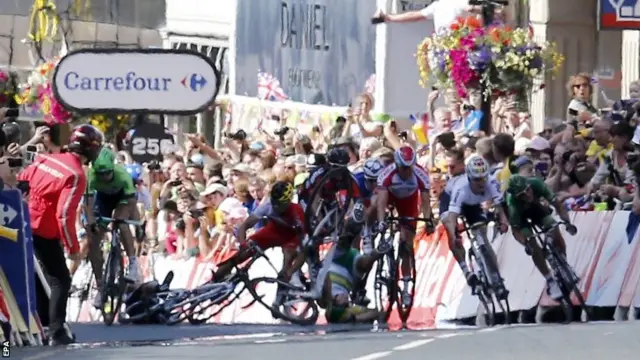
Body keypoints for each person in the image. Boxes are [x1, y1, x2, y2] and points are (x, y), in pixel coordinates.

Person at [18, 124, 103, 345]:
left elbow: (22, 181)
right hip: (44, 230)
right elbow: (64, 215)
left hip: (21, 222)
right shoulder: (76, 174)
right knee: (60, 280)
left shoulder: (47, 159)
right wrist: (73, 248)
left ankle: (42, 325)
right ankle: (56, 331)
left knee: (37, 276)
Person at [213, 181, 306, 304]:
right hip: (273, 231)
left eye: (280, 204)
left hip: (291, 236)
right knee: (241, 254)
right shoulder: (267, 206)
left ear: (288, 201)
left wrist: (291, 270)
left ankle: (281, 294)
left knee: (288, 259)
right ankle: (214, 281)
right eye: (275, 203)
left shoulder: (297, 212)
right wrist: (242, 244)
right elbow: (245, 226)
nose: (276, 207)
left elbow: (304, 248)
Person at [440, 154, 509, 297]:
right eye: (477, 179)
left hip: (472, 204)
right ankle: (467, 272)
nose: (481, 183)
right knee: (452, 233)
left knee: (481, 236)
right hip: (450, 201)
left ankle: (496, 279)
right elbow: (452, 216)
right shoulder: (461, 188)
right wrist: (454, 234)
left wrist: (503, 222)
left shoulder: (491, 182)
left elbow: (499, 207)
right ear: (470, 177)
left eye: (484, 178)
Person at [376, 145, 434, 306]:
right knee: (378, 210)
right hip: (390, 198)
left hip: (408, 202)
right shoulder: (387, 174)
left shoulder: (420, 174)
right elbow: (381, 202)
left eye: (409, 168)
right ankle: (382, 249)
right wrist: (381, 221)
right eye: (403, 168)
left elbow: (426, 202)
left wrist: (428, 220)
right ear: (396, 164)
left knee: (407, 244)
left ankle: (406, 286)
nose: (407, 171)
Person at [505, 175, 578, 300]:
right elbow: (516, 231)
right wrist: (525, 243)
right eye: (522, 195)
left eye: (528, 190)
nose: (527, 195)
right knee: (533, 245)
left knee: (553, 226)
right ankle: (550, 280)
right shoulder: (513, 203)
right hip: (521, 218)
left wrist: (567, 222)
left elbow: (557, 205)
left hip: (536, 208)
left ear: (530, 185)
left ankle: (564, 265)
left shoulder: (536, 184)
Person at [87, 148, 142, 309]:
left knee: (121, 222)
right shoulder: (91, 175)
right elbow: (88, 204)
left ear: (113, 168)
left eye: (107, 173)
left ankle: (132, 264)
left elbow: (131, 204)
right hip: (103, 200)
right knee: (93, 240)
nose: (104, 177)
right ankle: (100, 285)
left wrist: (128, 219)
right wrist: (91, 223)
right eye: (100, 174)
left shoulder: (123, 174)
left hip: (123, 199)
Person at [320, 202, 388, 324]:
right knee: (364, 265)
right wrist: (356, 318)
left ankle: (353, 221)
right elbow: (376, 313)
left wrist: (329, 298)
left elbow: (324, 280)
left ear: (336, 302)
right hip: (350, 273)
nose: (346, 299)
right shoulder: (350, 309)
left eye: (343, 301)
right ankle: (378, 251)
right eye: (346, 303)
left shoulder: (327, 302)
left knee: (344, 242)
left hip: (334, 262)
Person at [354, 158, 385, 254]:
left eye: (377, 180)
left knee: (377, 198)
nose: (375, 183)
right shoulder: (357, 180)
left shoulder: (384, 181)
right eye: (372, 181)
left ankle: (368, 230)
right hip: (358, 201)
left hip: (370, 202)